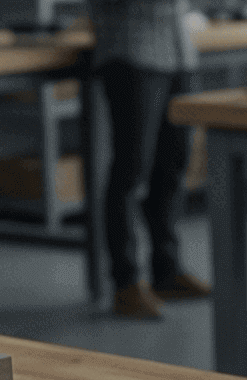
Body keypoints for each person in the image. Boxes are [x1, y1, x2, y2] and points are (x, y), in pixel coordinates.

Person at [90, 0, 211, 318]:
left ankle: (167, 271)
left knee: (173, 164)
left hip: (178, 54)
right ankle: (126, 282)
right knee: (131, 170)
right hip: (133, 52)